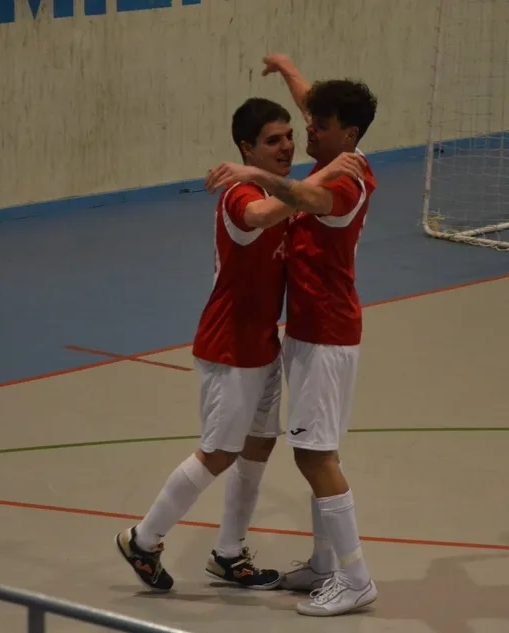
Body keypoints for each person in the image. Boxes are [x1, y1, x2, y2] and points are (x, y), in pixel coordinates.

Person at [115, 97, 363, 594]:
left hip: (263, 343)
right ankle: (143, 539)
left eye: (289, 136)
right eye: (273, 141)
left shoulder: (278, 186)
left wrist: (288, 69)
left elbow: (323, 120)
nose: (287, 146)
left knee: (258, 445)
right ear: (247, 149)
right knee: (218, 452)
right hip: (229, 347)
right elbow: (265, 214)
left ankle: (229, 553)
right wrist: (329, 169)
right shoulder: (240, 195)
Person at [206, 53, 380, 617]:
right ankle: (325, 566)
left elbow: (303, 199)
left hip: (327, 335)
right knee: (316, 449)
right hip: (308, 332)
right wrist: (287, 69)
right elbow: (312, 104)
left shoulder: (345, 184)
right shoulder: (337, 150)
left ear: (347, 135)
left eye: (318, 126)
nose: (308, 130)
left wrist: (255, 175)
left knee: (314, 456)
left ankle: (355, 578)